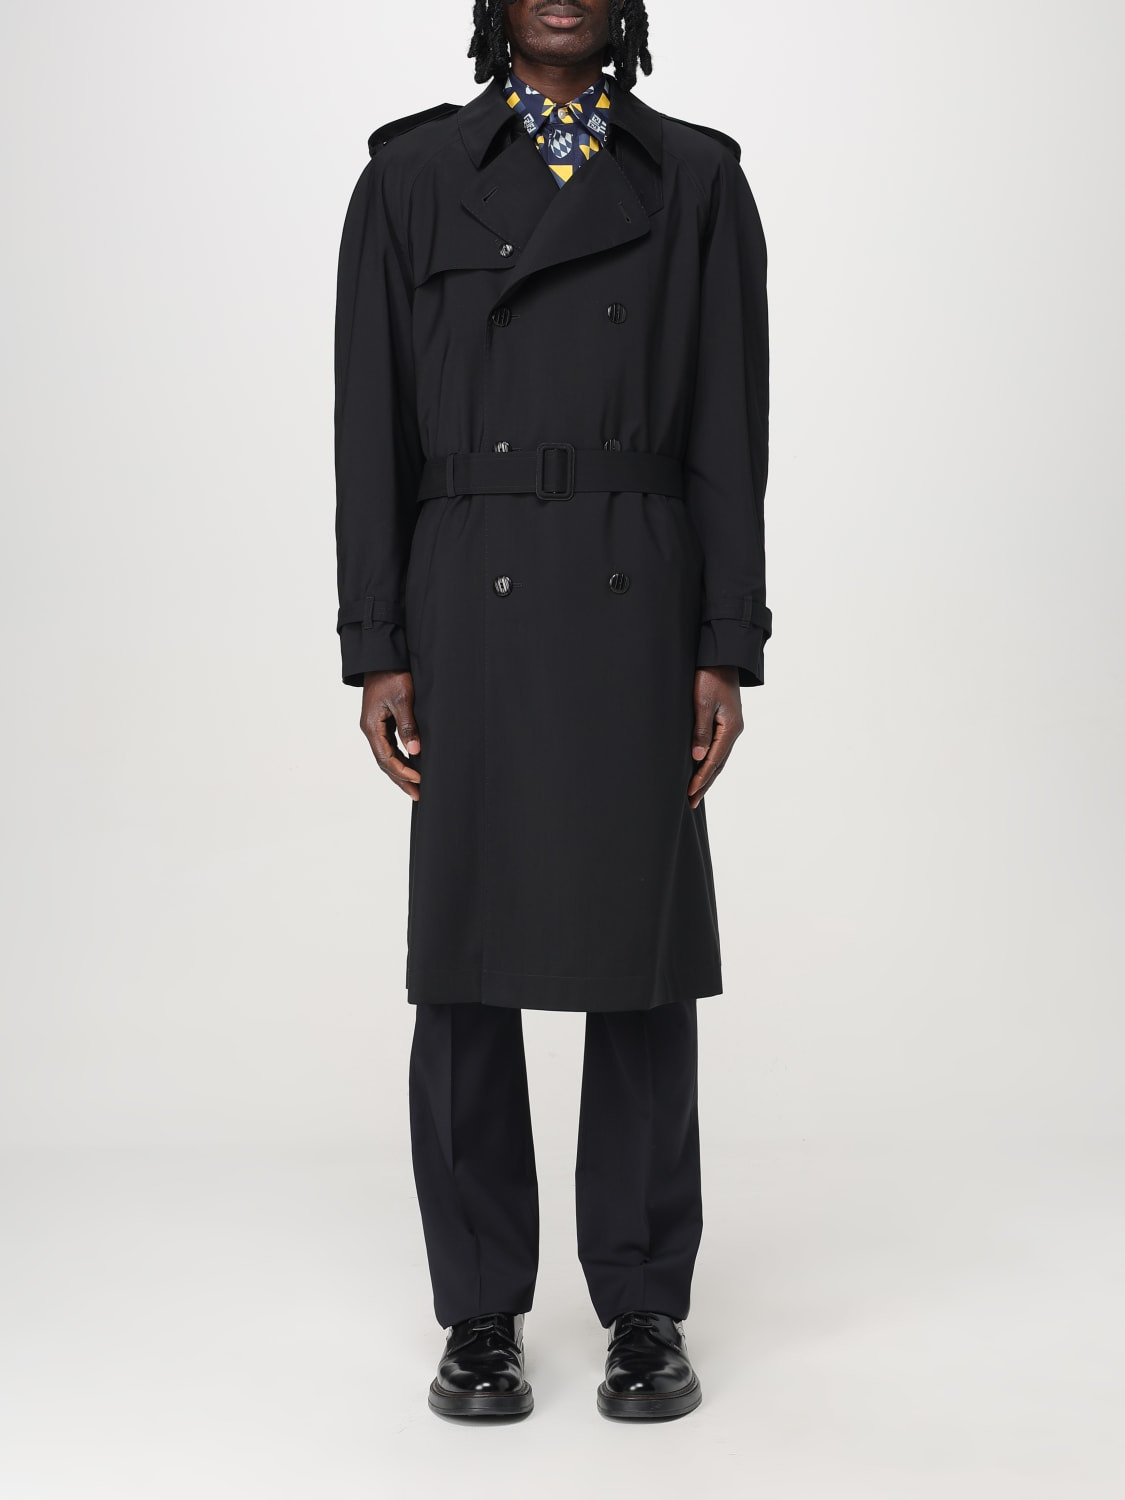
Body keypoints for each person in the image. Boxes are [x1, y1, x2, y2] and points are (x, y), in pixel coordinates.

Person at [333, 0, 770, 1422]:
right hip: (469, 595)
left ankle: (644, 1307)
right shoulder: (409, 177)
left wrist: (725, 642)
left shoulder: (696, 178)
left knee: (640, 961)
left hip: (637, 594)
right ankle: (480, 1315)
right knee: (464, 964)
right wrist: (375, 642)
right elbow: (367, 425)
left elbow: (730, 432)